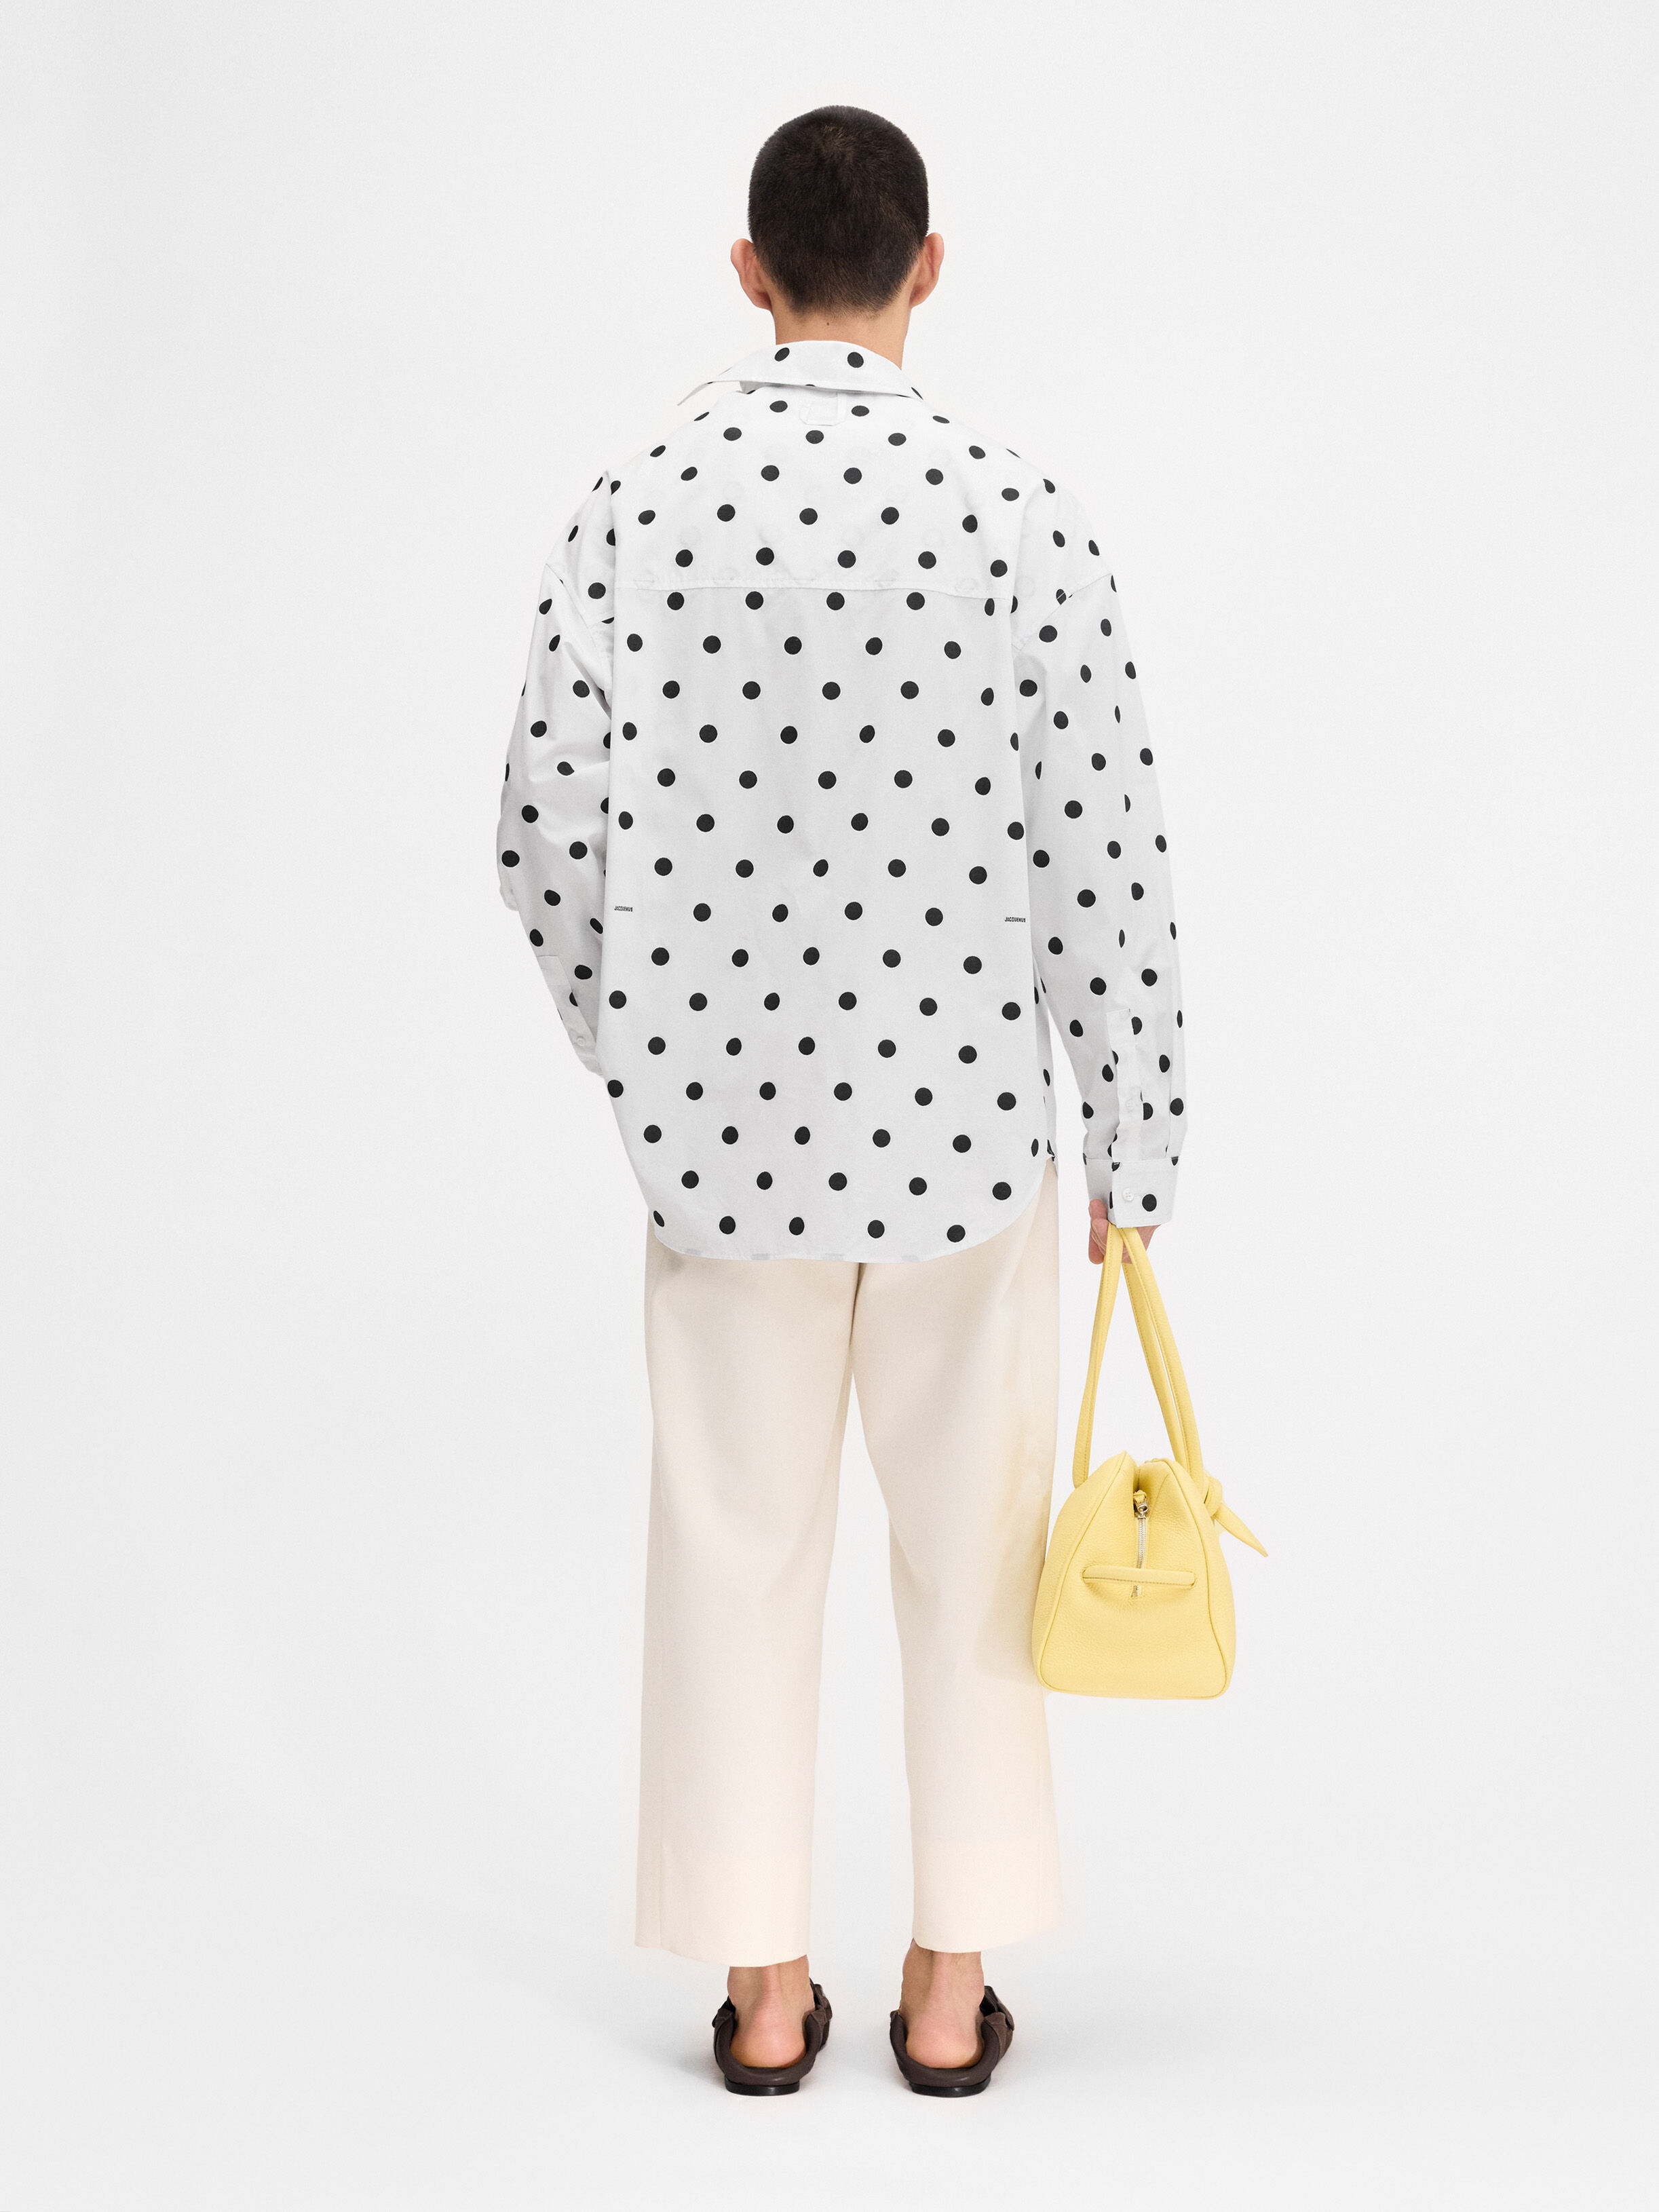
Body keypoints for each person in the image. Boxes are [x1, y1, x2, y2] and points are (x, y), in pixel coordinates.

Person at [495, 105, 1185, 2096]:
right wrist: (1134, 1136)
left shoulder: (637, 505)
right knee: (975, 1559)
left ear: (749, 272)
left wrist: (647, 1048)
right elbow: (1106, 855)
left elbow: (540, 831)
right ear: (929, 267)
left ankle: (768, 1995)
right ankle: (950, 1995)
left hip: (719, 1157)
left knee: (733, 1555)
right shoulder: (1018, 511)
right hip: (966, 1138)